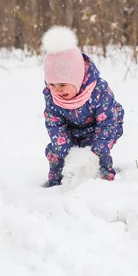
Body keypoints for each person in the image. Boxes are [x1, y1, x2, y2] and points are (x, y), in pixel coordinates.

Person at [41, 26, 124, 187]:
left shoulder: (98, 90)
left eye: (63, 84)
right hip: (70, 132)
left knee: (100, 153)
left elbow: (108, 121)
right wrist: (64, 147)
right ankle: (55, 184)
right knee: (56, 152)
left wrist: (99, 146)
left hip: (98, 130)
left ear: (77, 78)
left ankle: (106, 180)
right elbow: (53, 122)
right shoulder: (51, 96)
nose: (57, 90)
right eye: (52, 84)